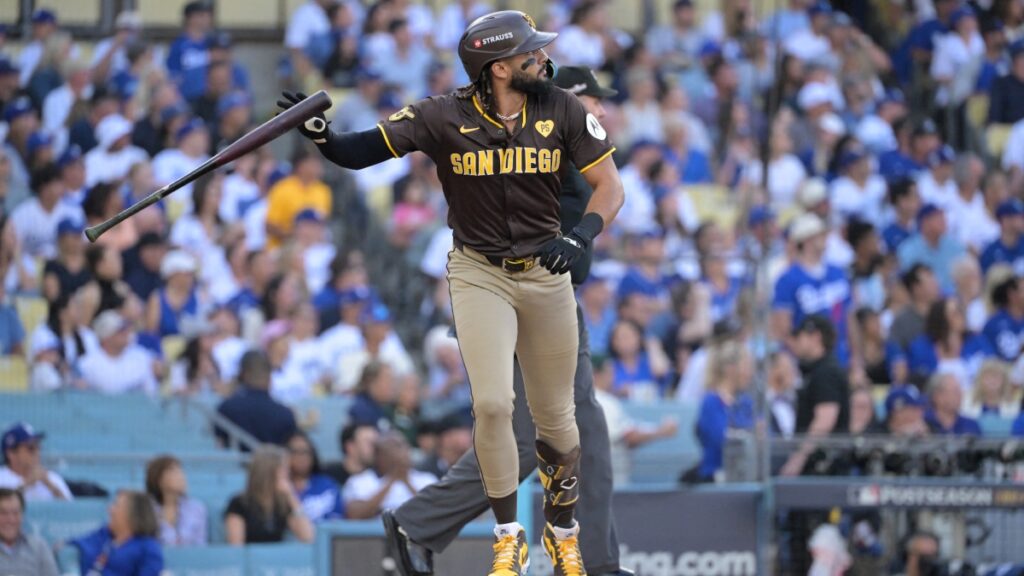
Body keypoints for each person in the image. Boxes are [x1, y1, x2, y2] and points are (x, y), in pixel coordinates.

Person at [278, 11, 624, 575]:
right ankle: (441, 527)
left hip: (547, 291)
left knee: (569, 426)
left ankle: (581, 556)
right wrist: (325, 138)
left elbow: (600, 203)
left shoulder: (560, 119)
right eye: (532, 56)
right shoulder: (463, 116)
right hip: (488, 280)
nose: (602, 109)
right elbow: (361, 148)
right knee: (522, 423)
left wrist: (581, 237)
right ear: (501, 68)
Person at [377, 65, 632, 576]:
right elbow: (559, 248)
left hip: (543, 303)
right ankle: (419, 525)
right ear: (571, 100)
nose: (603, 111)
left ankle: (593, 562)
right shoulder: (546, 142)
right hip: (516, 302)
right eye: (595, 101)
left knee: (574, 433)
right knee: (542, 438)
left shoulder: (561, 142)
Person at [780, 315, 851, 476]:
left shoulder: (826, 372)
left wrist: (799, 457)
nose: (795, 342)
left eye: (799, 336)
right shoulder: (814, 371)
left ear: (816, 337)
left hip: (825, 467)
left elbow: (825, 419)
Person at [224, 447, 314, 544]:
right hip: (251, 557)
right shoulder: (239, 503)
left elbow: (308, 537)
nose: (288, 473)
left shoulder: (282, 503)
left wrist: (291, 496)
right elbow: (236, 546)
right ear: (269, 471)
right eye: (284, 469)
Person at [695, 340, 756, 481]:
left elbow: (765, 432)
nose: (750, 373)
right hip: (716, 478)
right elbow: (721, 438)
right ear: (731, 368)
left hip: (746, 474)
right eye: (746, 366)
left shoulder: (746, 401)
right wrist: (749, 432)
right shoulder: (711, 402)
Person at [343, 432, 437, 520]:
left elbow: (436, 513)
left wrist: (407, 482)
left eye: (402, 447)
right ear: (378, 456)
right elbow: (355, 515)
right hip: (375, 536)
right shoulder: (359, 481)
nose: (400, 453)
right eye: (392, 448)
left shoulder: (427, 479)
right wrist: (390, 481)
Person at [215, 350, 297, 448]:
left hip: (236, 463)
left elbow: (219, 445)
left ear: (243, 375)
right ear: (270, 378)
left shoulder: (227, 408)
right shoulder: (285, 414)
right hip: (273, 462)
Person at [70, 490, 164, 576]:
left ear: (132, 515)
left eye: (116, 505)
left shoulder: (148, 548)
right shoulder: (103, 535)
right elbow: (72, 543)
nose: (110, 510)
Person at [77, 310, 159, 395]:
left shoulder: (142, 357)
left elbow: (151, 394)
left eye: (125, 328)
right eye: (120, 330)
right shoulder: (87, 364)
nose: (126, 332)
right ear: (106, 337)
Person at [144, 455, 208, 547]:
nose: (181, 476)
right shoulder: (145, 509)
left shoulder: (197, 509)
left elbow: (201, 546)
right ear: (158, 478)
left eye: (181, 471)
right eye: (173, 471)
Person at [0, 423, 72, 501]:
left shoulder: (52, 478)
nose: (37, 452)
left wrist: (51, 486)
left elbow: (72, 510)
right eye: (31, 448)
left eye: (38, 447)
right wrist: (26, 484)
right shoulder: (2, 478)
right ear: (11, 453)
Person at [286, 431, 344, 522]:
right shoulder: (280, 486)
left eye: (306, 452)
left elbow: (337, 519)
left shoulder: (327, 486)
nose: (302, 457)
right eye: (296, 452)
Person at [0, 488, 59, 576]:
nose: (10, 519)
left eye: (15, 513)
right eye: (3, 513)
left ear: (22, 515)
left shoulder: (39, 547)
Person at [323, 423, 380, 489]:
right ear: (350, 447)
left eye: (376, 443)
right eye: (369, 443)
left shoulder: (381, 476)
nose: (376, 448)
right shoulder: (327, 475)